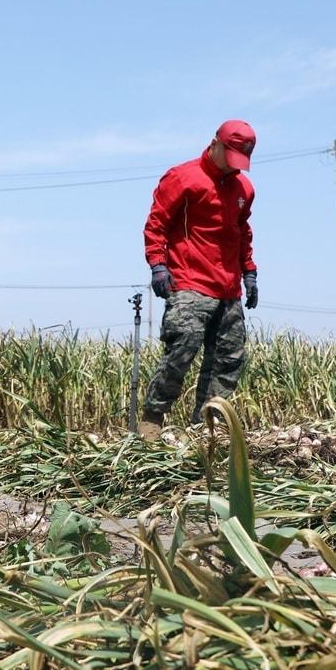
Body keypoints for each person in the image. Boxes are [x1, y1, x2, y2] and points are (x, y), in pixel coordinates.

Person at [137, 119, 258, 440]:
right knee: (183, 348)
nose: (234, 167)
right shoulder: (183, 178)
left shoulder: (243, 188)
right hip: (189, 282)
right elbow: (156, 224)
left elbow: (242, 231)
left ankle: (206, 428)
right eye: (230, 156)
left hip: (229, 288)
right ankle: (152, 419)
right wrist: (158, 264)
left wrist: (249, 272)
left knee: (228, 360)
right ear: (215, 144)